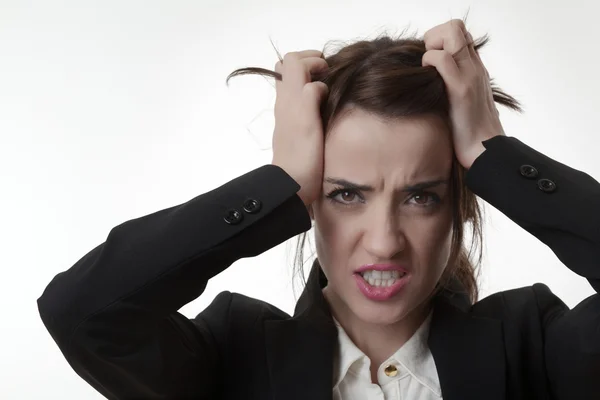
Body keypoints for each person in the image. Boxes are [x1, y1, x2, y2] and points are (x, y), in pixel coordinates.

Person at [37, 19, 600, 400]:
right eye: (345, 194)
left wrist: (491, 155)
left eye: (420, 196)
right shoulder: (233, 354)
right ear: (308, 203)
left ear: (458, 205)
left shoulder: (532, 346)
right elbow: (80, 313)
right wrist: (278, 181)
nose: (383, 242)